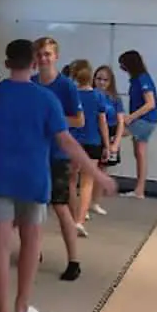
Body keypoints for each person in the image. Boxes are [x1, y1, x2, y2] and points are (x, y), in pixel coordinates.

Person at [0, 39, 117, 312]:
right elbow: (67, 142)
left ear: (7, 63)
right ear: (33, 63)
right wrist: (97, 173)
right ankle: (21, 307)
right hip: (34, 180)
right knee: (31, 244)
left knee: (0, 247)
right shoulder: (46, 99)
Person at [32, 36, 84, 281]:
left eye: (48, 54)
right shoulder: (31, 83)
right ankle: (35, 250)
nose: (43, 58)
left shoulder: (66, 86)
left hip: (57, 153)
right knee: (33, 206)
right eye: (40, 54)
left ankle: (74, 259)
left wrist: (52, 119)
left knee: (60, 205)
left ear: (56, 56)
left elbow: (79, 120)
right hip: (34, 153)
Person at [68, 60, 110, 237]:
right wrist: (107, 145)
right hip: (93, 141)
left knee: (71, 180)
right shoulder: (98, 96)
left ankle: (72, 216)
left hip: (73, 141)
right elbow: (103, 123)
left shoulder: (71, 95)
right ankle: (80, 219)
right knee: (87, 182)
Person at [118, 50, 157, 199]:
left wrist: (131, 117)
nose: (121, 67)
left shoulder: (142, 79)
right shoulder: (137, 79)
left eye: (122, 64)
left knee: (113, 134)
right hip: (146, 120)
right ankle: (139, 190)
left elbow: (150, 103)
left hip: (144, 120)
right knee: (140, 153)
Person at [93, 65, 125, 214]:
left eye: (105, 80)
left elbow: (120, 122)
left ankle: (95, 201)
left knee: (103, 169)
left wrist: (116, 143)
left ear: (110, 82)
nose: (101, 82)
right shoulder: (90, 95)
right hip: (94, 133)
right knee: (90, 170)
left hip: (110, 132)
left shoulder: (115, 99)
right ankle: (84, 203)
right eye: (99, 79)